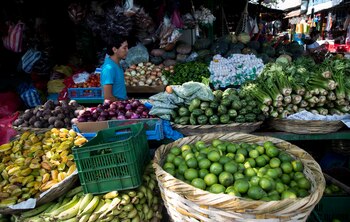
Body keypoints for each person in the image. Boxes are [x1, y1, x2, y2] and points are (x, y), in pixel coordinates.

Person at [101, 34, 129, 101]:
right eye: (124, 48)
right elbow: (108, 97)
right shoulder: (109, 68)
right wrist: (124, 104)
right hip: (115, 109)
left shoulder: (117, 65)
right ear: (114, 49)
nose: (127, 50)